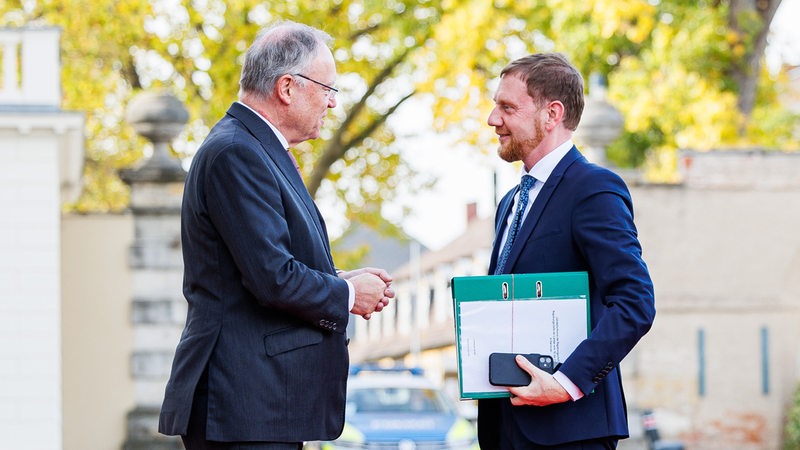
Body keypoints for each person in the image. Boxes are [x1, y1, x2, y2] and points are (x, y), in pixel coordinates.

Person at [158, 21, 395, 449]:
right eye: (328, 89)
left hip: (258, 406)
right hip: (244, 407)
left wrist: (341, 281)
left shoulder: (252, 148)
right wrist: (345, 295)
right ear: (288, 87)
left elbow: (261, 263)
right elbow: (271, 276)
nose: (333, 104)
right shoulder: (237, 152)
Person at [477, 52, 656, 449]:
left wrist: (566, 382)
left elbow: (635, 302)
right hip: (505, 426)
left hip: (571, 431)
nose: (493, 119)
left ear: (552, 114)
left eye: (507, 107)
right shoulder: (509, 203)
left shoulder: (593, 189)